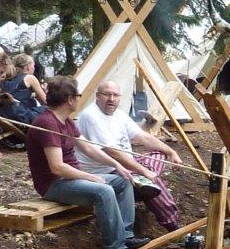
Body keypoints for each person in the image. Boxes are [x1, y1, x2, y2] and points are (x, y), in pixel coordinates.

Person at [25, 76, 148, 249]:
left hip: (71, 179)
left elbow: (89, 148)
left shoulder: (66, 122)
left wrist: (118, 166)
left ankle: (125, 235)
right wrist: (90, 177)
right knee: (104, 191)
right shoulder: (47, 123)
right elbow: (57, 167)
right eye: (77, 96)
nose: (78, 100)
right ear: (70, 99)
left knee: (123, 181)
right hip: (54, 184)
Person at [75, 80, 182, 232]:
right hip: (105, 169)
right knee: (152, 183)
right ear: (97, 96)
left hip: (125, 163)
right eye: (107, 94)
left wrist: (171, 151)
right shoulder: (91, 116)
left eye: (115, 95)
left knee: (159, 154)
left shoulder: (119, 115)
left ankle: (144, 183)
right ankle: (173, 226)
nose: (111, 99)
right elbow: (113, 153)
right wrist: (144, 171)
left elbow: (143, 137)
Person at [0, 53, 46, 126]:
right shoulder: (30, 78)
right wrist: (45, 91)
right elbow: (46, 101)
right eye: (33, 66)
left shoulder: (5, 79)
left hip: (5, 116)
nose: (34, 68)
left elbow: (17, 95)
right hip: (21, 117)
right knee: (53, 108)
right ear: (28, 67)